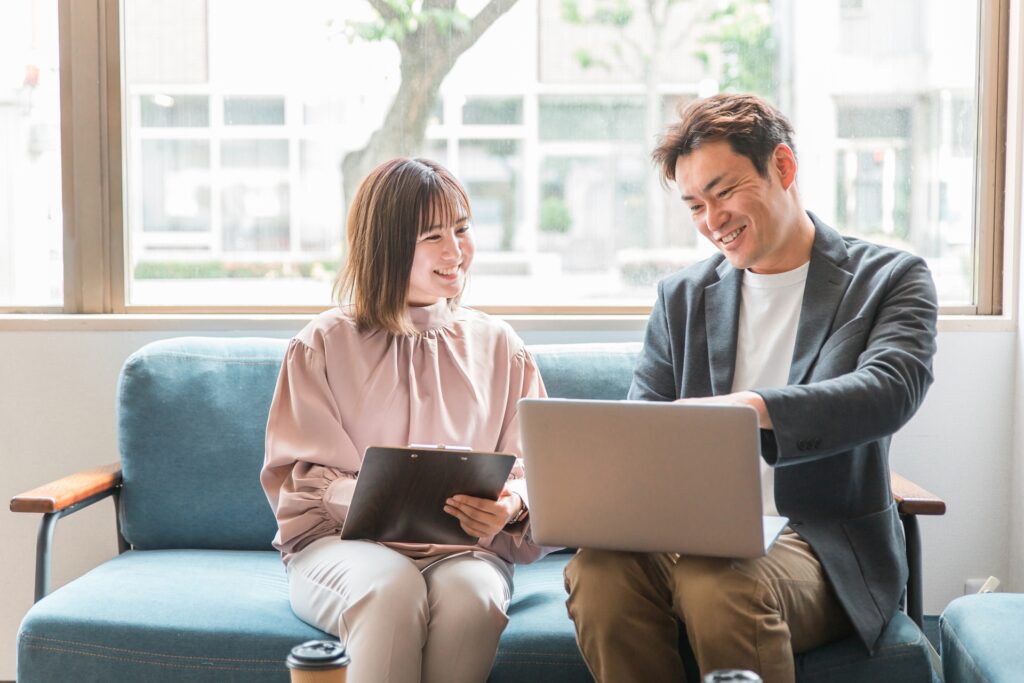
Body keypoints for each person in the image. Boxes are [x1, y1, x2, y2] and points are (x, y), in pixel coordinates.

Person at [563, 93, 938, 683]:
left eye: (725, 191)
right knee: (598, 573)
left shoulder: (888, 279)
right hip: (688, 534)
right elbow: (643, 429)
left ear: (783, 168)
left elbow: (890, 390)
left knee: (718, 582)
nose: (713, 221)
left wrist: (751, 409)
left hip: (817, 542)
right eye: (694, 206)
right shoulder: (681, 298)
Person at [261, 157, 549, 683]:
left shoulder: (501, 346)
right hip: (344, 549)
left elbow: (537, 469)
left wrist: (509, 506)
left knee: (475, 598)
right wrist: (382, 496)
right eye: (433, 235)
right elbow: (302, 486)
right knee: (391, 588)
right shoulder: (322, 344)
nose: (455, 250)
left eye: (462, 229)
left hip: (465, 552)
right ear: (387, 245)